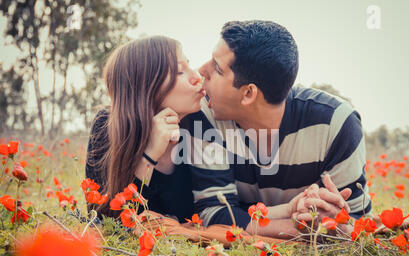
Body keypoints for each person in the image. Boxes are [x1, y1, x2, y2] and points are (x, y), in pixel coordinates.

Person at [185, 20, 371, 239]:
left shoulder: (337, 125)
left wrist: (335, 218)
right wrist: (305, 229)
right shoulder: (205, 115)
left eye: (217, 68)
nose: (201, 70)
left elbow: (355, 223)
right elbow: (214, 214)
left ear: (248, 94)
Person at [85, 36, 205, 222]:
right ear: (147, 88)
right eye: (180, 72)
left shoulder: (202, 122)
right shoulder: (108, 127)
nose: (197, 77)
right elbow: (106, 224)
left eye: (189, 65)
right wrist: (150, 155)